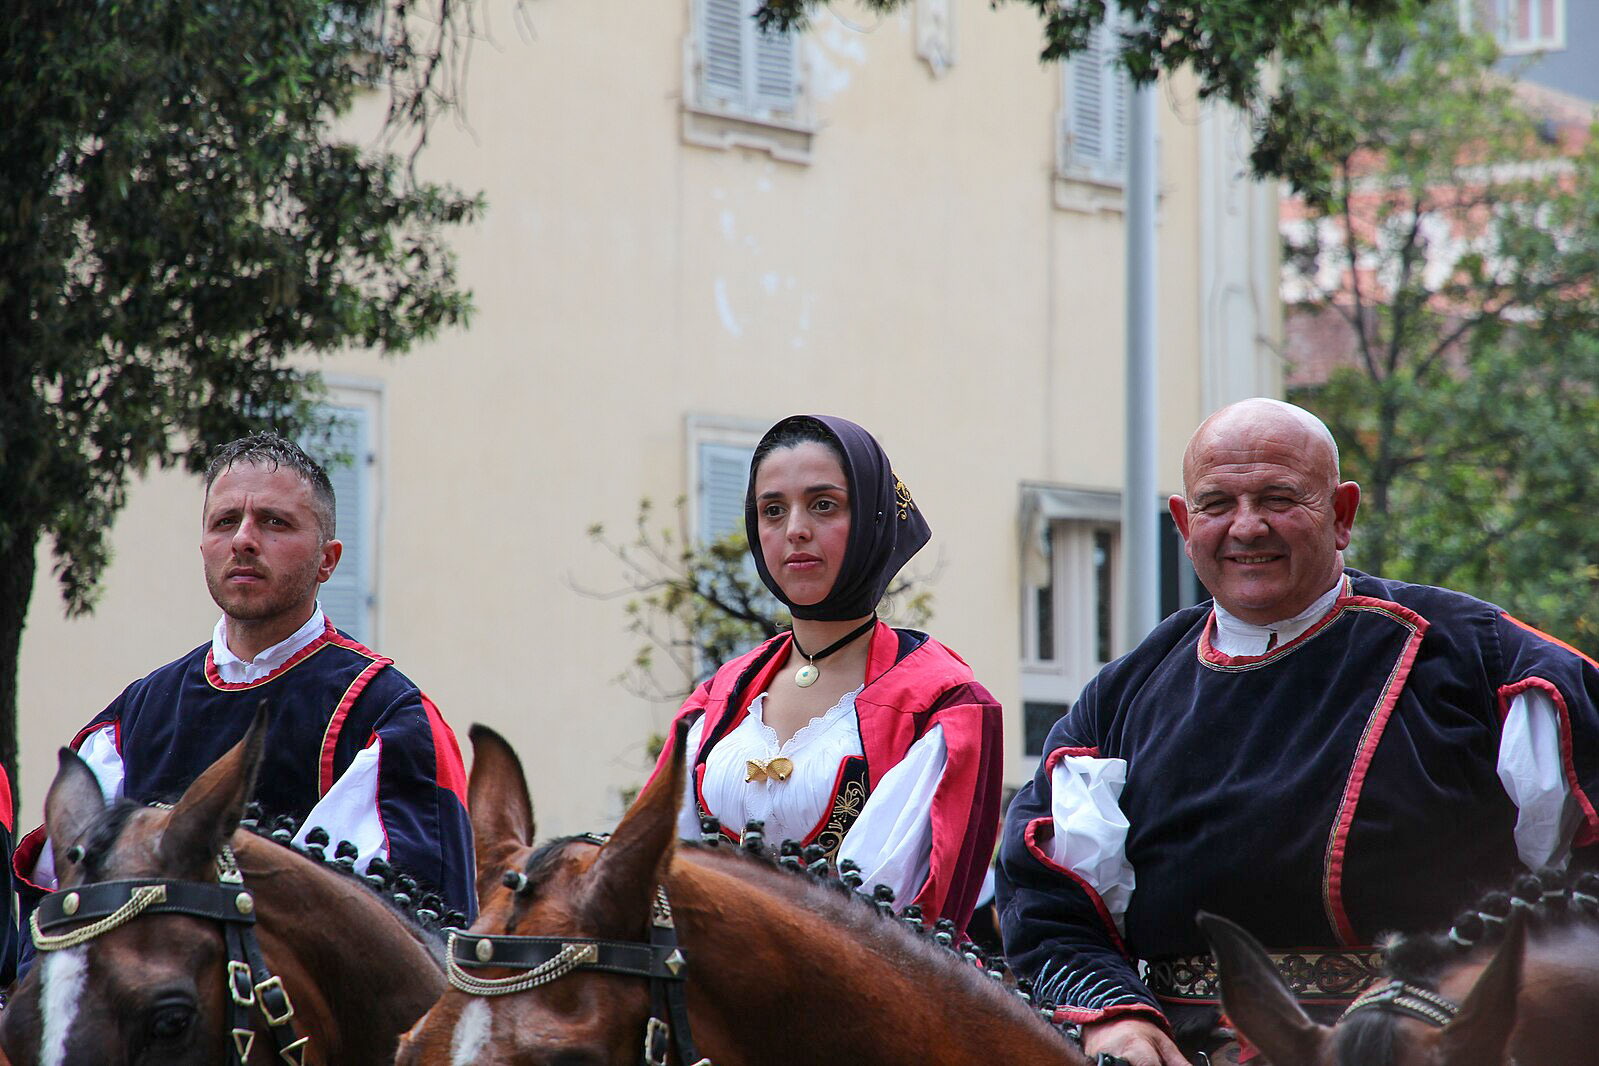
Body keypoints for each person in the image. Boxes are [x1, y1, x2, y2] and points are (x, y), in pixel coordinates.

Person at [998, 398, 1599, 1066]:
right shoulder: (1119, 699)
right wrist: (1113, 1018)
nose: (1246, 527)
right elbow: (1046, 900)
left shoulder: (1486, 664)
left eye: (1279, 498)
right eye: (1216, 503)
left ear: (1341, 514)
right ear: (1182, 521)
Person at [13, 432, 475, 930]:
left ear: (328, 559)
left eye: (275, 522)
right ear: (204, 546)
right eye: (225, 521)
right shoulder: (131, 721)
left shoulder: (389, 718)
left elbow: (401, 940)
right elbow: (61, 922)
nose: (243, 540)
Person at [656, 414, 1003, 926]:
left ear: (872, 518)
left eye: (823, 505)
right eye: (772, 510)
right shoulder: (717, 698)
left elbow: (890, 924)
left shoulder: (942, 706)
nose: (795, 530)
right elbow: (657, 868)